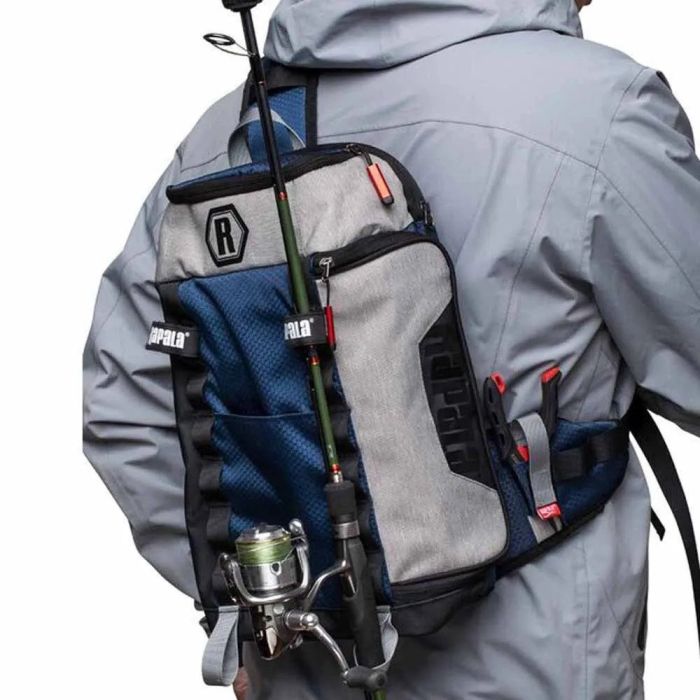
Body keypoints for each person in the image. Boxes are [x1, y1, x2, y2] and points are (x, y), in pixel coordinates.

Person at [84, 0, 700, 698]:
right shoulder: (599, 109)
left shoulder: (224, 135)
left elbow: (124, 412)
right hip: (539, 666)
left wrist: (252, 605)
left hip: (308, 668)